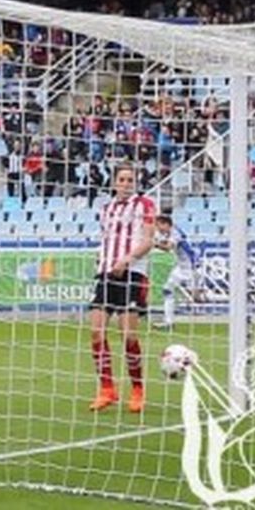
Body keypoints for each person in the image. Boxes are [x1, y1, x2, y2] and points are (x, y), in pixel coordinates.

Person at [90, 162, 155, 412]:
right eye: (123, 180)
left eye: (131, 180)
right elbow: (106, 240)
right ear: (115, 182)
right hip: (107, 274)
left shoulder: (145, 205)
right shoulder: (106, 209)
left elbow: (148, 241)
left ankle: (137, 389)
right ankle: (107, 389)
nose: (127, 184)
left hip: (132, 274)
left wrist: (127, 260)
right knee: (96, 332)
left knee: (129, 335)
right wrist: (103, 260)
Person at [153, 211, 200, 330]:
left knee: (197, 297)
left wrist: (153, 244)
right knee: (167, 290)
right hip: (181, 267)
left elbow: (169, 247)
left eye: (159, 225)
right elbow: (165, 243)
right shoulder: (168, 233)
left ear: (166, 224)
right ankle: (169, 323)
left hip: (191, 268)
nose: (157, 229)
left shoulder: (175, 232)